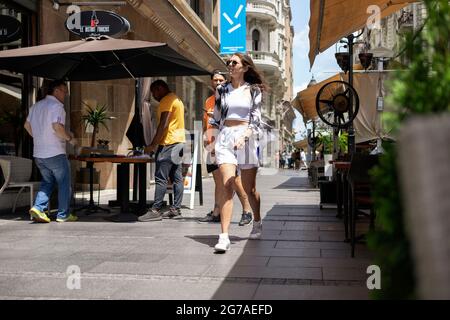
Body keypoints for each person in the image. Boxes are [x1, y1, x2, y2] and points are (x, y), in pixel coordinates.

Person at [210, 53, 267, 252]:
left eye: (234, 62)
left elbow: (256, 119)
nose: (230, 65)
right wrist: (212, 139)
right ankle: (224, 236)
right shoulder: (221, 89)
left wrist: (245, 136)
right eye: (228, 63)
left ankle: (257, 221)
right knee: (228, 184)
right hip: (225, 137)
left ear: (244, 67)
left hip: (247, 138)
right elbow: (216, 118)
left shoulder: (254, 90)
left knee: (250, 189)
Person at [199, 70, 253, 225]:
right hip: (211, 145)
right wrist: (205, 137)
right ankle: (217, 211)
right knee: (218, 181)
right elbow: (206, 123)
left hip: (226, 145)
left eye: (221, 80)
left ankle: (247, 210)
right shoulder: (209, 101)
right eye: (215, 80)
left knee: (234, 180)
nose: (217, 83)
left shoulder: (231, 99)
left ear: (226, 81)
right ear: (211, 82)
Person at [24, 79, 78, 223]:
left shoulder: (36, 106)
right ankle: (63, 215)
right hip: (54, 153)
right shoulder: (57, 106)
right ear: (56, 91)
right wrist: (70, 139)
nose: (65, 95)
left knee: (47, 182)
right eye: (64, 91)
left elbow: (27, 125)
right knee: (64, 183)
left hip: (39, 154)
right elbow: (57, 127)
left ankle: (38, 208)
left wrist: (40, 138)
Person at [138, 80, 186, 222]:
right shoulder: (176, 99)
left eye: (153, 92)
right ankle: (175, 209)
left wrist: (152, 145)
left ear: (160, 89)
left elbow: (163, 125)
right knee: (177, 178)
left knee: (161, 178)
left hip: (169, 143)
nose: (153, 96)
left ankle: (155, 210)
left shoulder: (166, 100)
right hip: (179, 142)